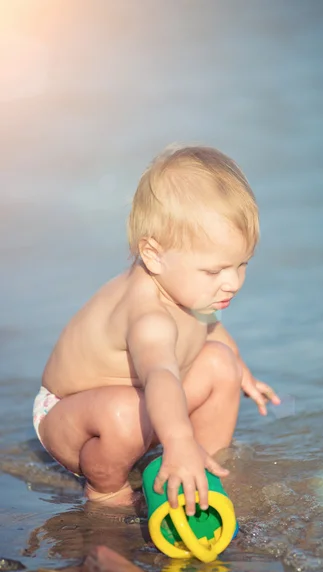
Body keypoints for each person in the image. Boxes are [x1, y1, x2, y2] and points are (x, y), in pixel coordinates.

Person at [33, 145, 280, 516]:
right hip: (73, 420)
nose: (233, 283)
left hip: (142, 403)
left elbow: (210, 328)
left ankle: (209, 470)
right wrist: (178, 439)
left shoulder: (187, 287)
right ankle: (107, 492)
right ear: (153, 254)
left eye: (241, 264)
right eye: (215, 271)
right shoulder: (149, 316)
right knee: (122, 413)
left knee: (221, 362)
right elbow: (161, 373)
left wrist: (242, 373)